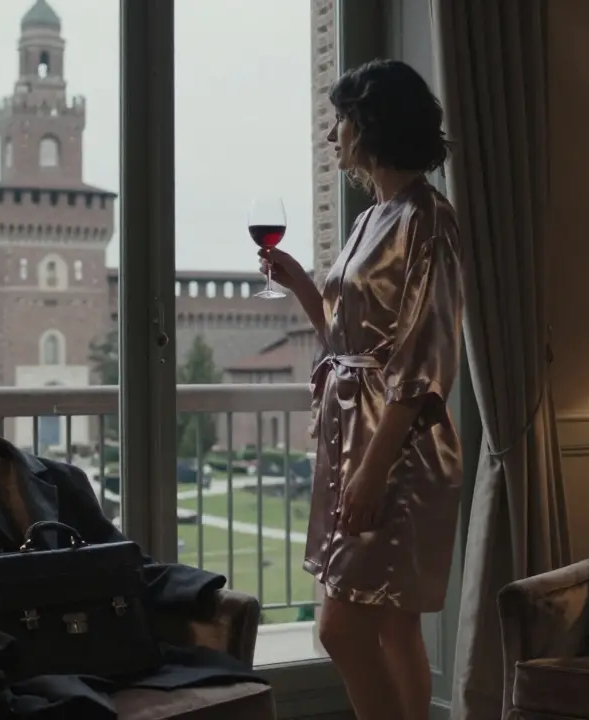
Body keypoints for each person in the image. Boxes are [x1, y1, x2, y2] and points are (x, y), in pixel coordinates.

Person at [259, 59, 464, 720]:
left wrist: (372, 474)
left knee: (338, 629)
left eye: (340, 121)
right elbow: (345, 339)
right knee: (394, 627)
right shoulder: (371, 217)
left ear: (372, 124)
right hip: (354, 434)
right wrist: (301, 288)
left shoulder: (428, 219)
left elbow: (424, 358)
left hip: (397, 445)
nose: (331, 136)